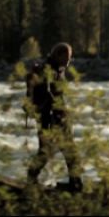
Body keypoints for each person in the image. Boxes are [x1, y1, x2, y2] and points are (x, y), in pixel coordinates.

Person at [25, 42, 82, 191]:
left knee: (55, 150)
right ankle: (74, 184)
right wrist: (56, 112)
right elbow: (47, 93)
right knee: (55, 150)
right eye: (67, 57)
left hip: (53, 116)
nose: (69, 61)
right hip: (52, 117)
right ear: (58, 55)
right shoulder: (49, 70)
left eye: (70, 58)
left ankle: (74, 182)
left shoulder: (56, 68)